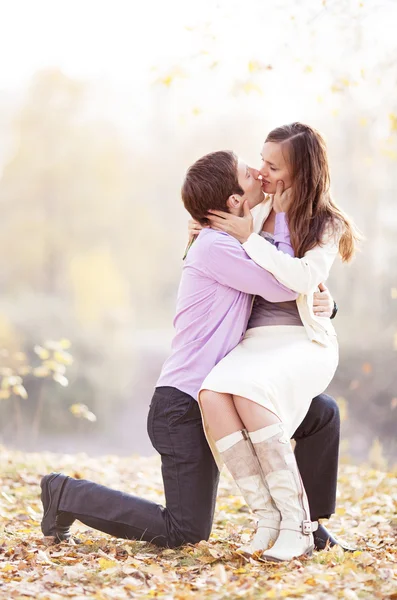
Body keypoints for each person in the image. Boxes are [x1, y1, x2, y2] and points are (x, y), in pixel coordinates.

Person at [40, 147, 345, 553]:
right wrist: (303, 277)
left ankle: (309, 523)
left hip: (226, 394)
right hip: (182, 407)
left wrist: (329, 302)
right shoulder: (219, 246)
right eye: (249, 173)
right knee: (185, 531)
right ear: (235, 201)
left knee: (321, 413)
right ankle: (65, 494)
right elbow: (285, 286)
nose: (259, 173)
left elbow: (288, 281)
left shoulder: (226, 241)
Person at [193, 123, 360, 561]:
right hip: (255, 338)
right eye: (260, 160)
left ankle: (298, 523)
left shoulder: (328, 223)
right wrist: (204, 225)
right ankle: (266, 518)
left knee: (251, 395)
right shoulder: (259, 210)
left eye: (272, 165)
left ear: (299, 171)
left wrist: (250, 239)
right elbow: (213, 212)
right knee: (211, 394)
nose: (260, 170)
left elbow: (305, 278)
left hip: (302, 340)